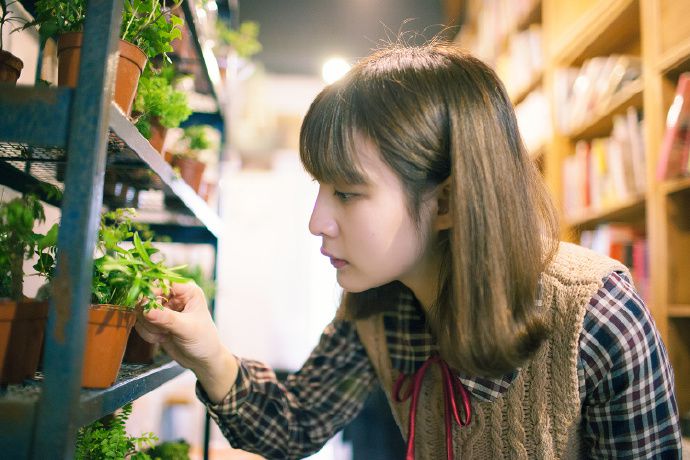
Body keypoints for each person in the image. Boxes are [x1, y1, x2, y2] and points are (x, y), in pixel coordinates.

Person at [136, 42, 682, 459]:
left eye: (347, 193)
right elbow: (298, 421)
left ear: (445, 201)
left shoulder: (600, 316)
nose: (316, 221)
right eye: (321, 190)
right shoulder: (378, 306)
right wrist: (208, 353)